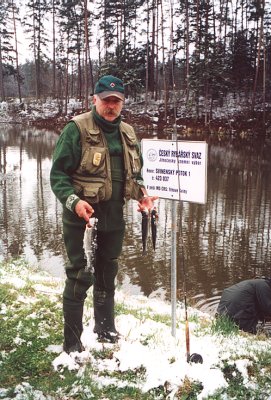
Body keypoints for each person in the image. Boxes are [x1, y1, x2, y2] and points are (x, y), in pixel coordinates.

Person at [50, 75, 157, 353]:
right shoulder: (76, 129)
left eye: (116, 101)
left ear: (122, 103)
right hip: (82, 219)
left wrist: (142, 196)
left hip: (114, 218)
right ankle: (72, 343)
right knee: (80, 276)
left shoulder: (129, 133)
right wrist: (74, 202)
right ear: (94, 100)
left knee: (108, 273)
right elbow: (58, 175)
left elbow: (134, 175)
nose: (111, 106)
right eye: (106, 100)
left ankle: (105, 329)